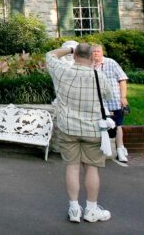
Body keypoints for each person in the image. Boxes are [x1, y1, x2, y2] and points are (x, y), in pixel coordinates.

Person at [47, 41, 115, 224]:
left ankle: (74, 208)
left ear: (75, 55)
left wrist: (69, 48)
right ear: (92, 56)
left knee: (72, 167)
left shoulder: (63, 71)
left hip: (68, 128)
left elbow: (50, 55)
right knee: (92, 168)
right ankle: (91, 209)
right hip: (93, 129)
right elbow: (109, 96)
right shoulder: (99, 76)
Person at [92, 44, 130, 163]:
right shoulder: (89, 66)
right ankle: (101, 152)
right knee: (100, 126)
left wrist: (123, 97)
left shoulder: (111, 63)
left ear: (102, 52)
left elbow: (122, 79)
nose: (96, 53)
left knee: (117, 126)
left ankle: (120, 150)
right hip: (97, 103)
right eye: (93, 52)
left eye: (98, 51)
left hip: (113, 101)